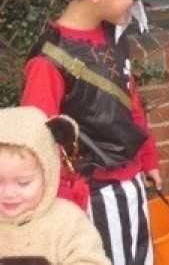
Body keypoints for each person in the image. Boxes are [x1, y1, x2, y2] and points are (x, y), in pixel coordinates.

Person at [20, 0, 162, 264]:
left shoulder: (112, 36)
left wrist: (149, 158)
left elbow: (130, 104)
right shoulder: (48, 62)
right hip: (90, 195)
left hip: (129, 184)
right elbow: (37, 140)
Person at [0, 106, 110, 264]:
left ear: (48, 175)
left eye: (23, 183)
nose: (8, 193)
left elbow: (91, 260)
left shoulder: (67, 221)